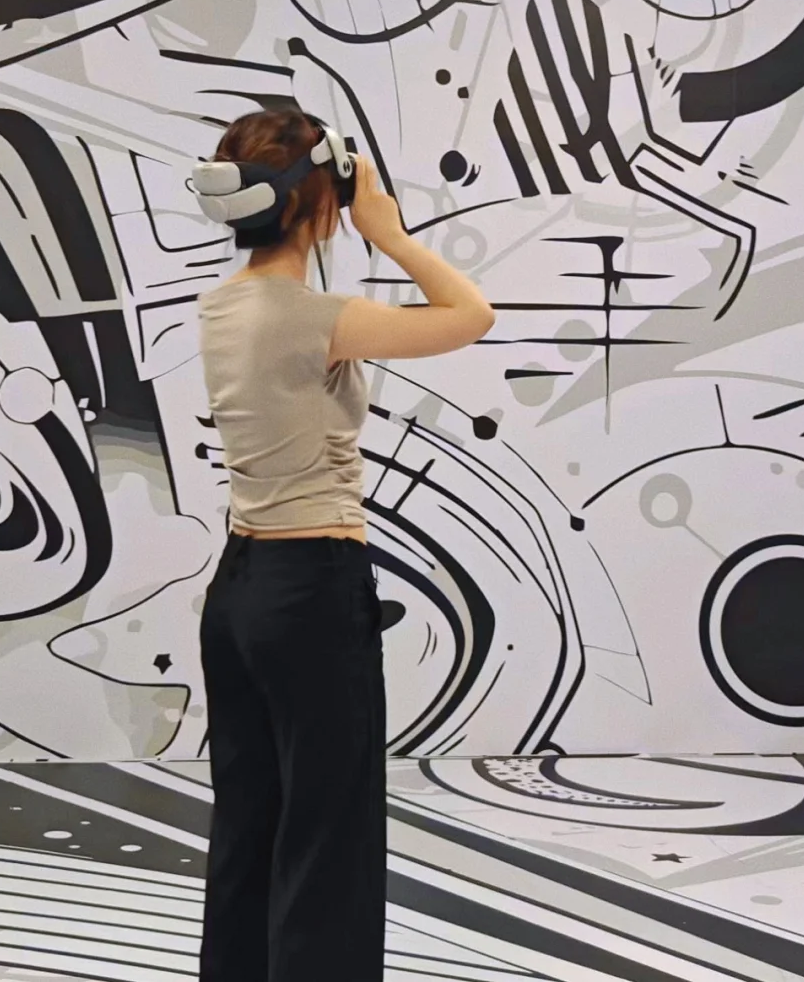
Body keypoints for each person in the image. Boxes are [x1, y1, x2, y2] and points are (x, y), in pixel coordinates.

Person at [194, 108, 494, 982]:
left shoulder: (221, 305)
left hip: (239, 590)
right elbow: (471, 312)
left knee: (250, 825)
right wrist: (388, 232)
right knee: (329, 838)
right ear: (318, 204)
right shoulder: (313, 316)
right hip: (311, 590)